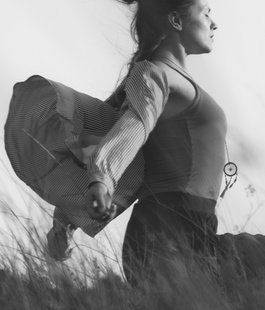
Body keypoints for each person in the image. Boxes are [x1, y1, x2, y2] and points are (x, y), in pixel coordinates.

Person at [83, 0, 225, 284]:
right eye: (206, 12)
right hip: (168, 226)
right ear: (176, 20)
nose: (214, 23)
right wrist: (102, 178)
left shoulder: (177, 79)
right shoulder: (156, 74)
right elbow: (133, 126)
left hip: (195, 223)